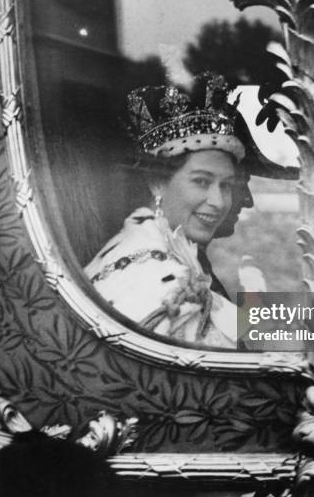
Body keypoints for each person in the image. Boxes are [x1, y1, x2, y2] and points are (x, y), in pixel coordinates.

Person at [85, 73, 297, 349]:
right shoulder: (160, 283)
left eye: (226, 186)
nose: (219, 201)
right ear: (157, 182)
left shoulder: (157, 244)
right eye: (201, 181)